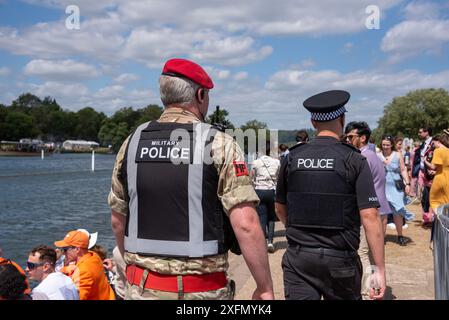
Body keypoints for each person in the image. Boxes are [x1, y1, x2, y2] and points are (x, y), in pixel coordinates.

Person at [109, 58, 273, 300]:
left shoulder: (132, 142)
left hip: (140, 289)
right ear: (200, 94)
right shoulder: (219, 143)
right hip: (200, 290)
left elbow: (117, 220)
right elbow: (246, 223)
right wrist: (264, 286)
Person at [275, 90, 385, 300]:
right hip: (341, 260)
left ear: (313, 122)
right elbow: (370, 217)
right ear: (342, 120)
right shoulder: (354, 160)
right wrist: (378, 270)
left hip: (299, 259)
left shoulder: (291, 158)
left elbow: (280, 208)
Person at [344, 122, 391, 296]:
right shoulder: (374, 156)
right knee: (372, 253)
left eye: (350, 137)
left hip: (371, 211)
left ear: (362, 138)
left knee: (362, 253)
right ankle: (375, 287)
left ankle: (366, 292)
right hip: (381, 209)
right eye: (346, 137)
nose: (347, 140)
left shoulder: (362, 157)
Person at [54, 230, 115, 300]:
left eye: (65, 250)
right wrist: (62, 270)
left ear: (77, 249)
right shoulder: (93, 256)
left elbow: (77, 298)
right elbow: (75, 267)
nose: (63, 253)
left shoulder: (84, 272)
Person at [378, 136, 412, 245]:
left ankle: (400, 236)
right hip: (381, 187)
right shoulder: (377, 156)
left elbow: (403, 170)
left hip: (396, 187)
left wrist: (407, 183)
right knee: (382, 214)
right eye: (383, 144)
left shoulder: (398, 155)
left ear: (391, 144)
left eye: (387, 145)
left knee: (398, 212)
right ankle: (381, 237)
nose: (385, 147)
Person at [251, 142, 281, 253]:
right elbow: (278, 176)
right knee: (271, 217)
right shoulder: (277, 162)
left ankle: (262, 242)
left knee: (262, 217)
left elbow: (252, 176)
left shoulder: (255, 162)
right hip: (272, 191)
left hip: (259, 190)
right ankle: (270, 242)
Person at [425, 132, 449, 215]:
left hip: (440, 179)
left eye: (433, 143)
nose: (433, 145)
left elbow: (433, 166)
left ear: (438, 141)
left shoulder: (438, 151)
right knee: (446, 201)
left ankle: (440, 221)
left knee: (434, 201)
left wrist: (425, 161)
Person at [416, 127, 434, 224]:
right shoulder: (423, 144)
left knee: (430, 196)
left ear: (427, 132)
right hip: (422, 172)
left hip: (430, 173)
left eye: (420, 132)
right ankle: (426, 217)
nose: (418, 134)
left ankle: (430, 218)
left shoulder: (434, 143)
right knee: (423, 196)